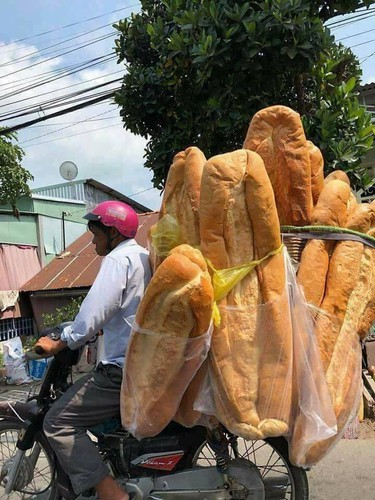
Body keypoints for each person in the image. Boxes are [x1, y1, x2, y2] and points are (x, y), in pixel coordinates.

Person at [35, 200, 152, 500]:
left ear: (112, 233)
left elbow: (94, 313)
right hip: (143, 364)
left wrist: (61, 341)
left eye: (95, 234)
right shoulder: (143, 256)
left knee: (56, 421)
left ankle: (112, 493)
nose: (92, 240)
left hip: (120, 371)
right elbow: (121, 311)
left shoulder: (117, 260)